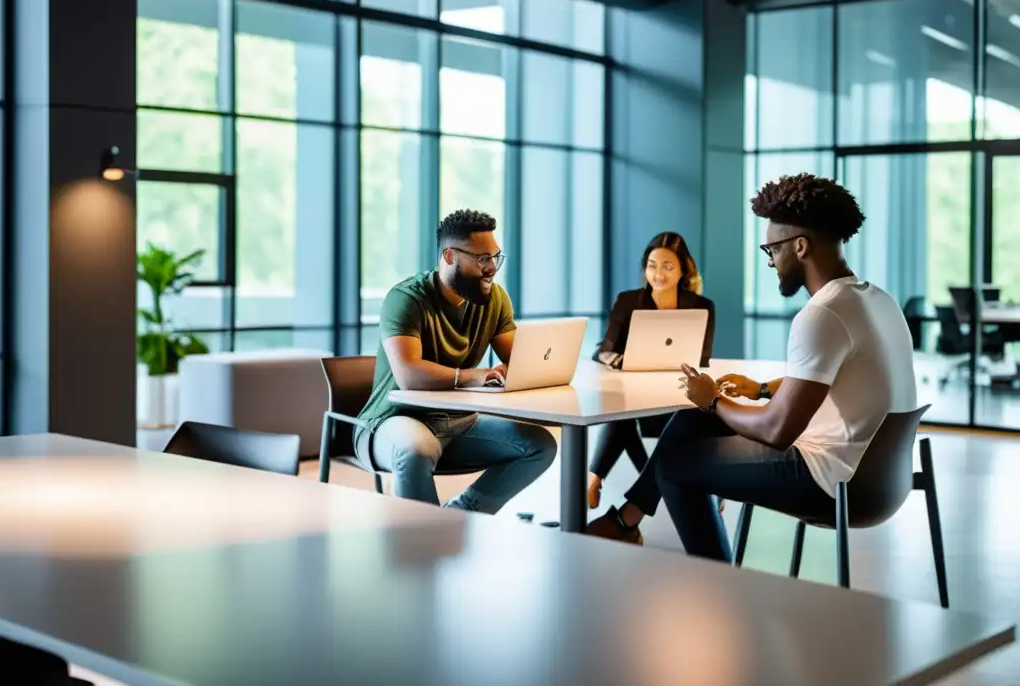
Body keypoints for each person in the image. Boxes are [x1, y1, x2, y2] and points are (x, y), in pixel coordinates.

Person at [588, 173, 917, 558]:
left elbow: (777, 430)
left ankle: (718, 581)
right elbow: (834, 378)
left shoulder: (823, 314)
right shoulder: (876, 299)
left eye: (772, 250)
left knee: (676, 464)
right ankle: (626, 521)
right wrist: (757, 390)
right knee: (693, 421)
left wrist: (712, 400)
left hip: (833, 480)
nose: (771, 262)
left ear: (799, 247)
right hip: (882, 477)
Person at [355, 209, 557, 513]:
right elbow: (409, 375)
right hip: (391, 422)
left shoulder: (495, 299)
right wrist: (473, 376)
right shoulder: (406, 299)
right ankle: (422, 543)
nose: (491, 268)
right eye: (482, 259)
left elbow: (519, 361)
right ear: (450, 256)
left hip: (460, 423)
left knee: (540, 446)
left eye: (495, 258)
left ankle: (460, 515)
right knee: (416, 449)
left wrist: (527, 366)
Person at [587, 232, 715, 509]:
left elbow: (701, 359)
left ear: (683, 270)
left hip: (677, 398)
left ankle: (600, 478)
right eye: (652, 265)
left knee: (694, 416)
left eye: (668, 266)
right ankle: (607, 480)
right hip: (635, 394)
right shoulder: (628, 300)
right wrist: (622, 360)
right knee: (620, 413)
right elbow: (603, 349)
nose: (658, 273)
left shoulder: (702, 307)